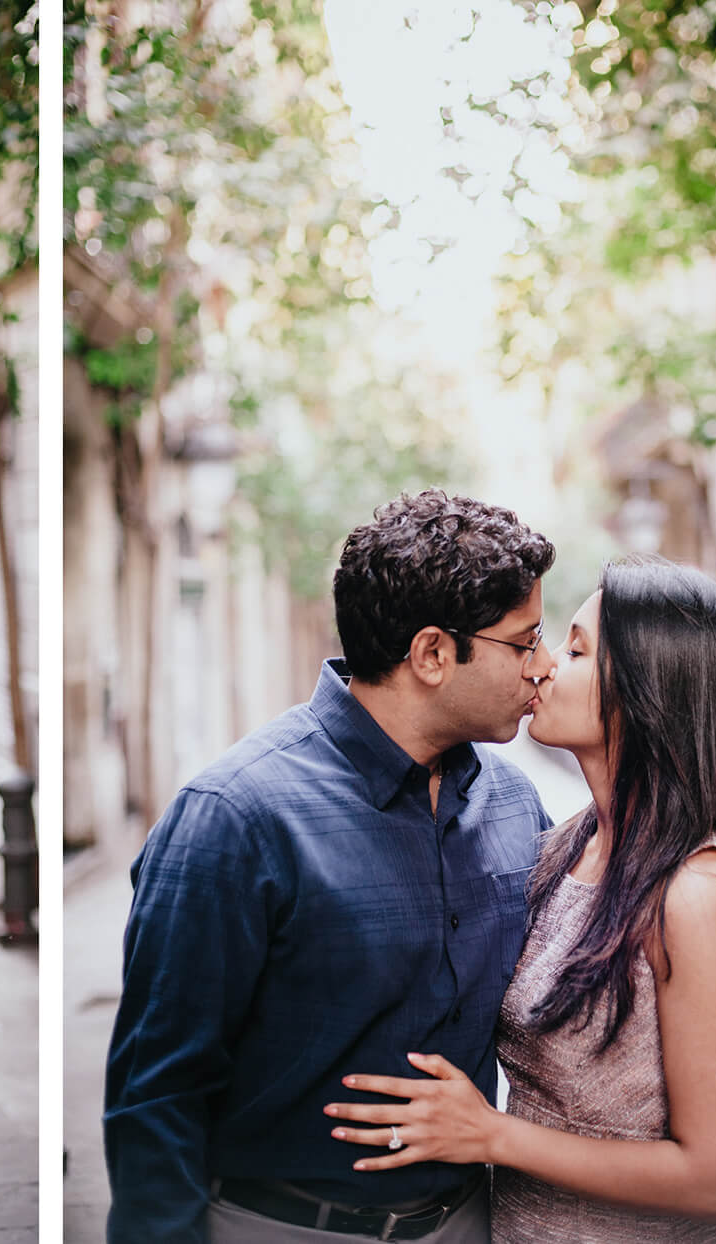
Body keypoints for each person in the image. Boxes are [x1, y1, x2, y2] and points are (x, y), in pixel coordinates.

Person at [105, 489, 558, 1243]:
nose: (542, 668)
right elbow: (158, 1094)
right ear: (433, 654)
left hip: (473, 1222)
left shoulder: (516, 803)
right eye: (525, 642)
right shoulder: (235, 815)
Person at [323, 558, 716, 1243]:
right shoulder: (561, 844)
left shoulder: (697, 891)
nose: (540, 667)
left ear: (647, 691)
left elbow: (712, 1178)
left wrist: (489, 1135)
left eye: (574, 650)